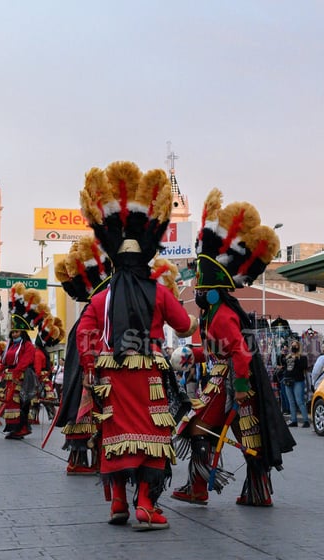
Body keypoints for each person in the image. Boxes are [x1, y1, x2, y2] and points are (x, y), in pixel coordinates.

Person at [77, 161, 197, 530]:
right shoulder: (160, 292)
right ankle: (145, 504)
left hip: (112, 378)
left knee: (115, 437)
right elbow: (184, 325)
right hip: (150, 376)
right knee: (152, 438)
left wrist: (93, 363)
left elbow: (85, 333)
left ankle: (117, 503)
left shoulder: (102, 298)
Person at [171, 187, 296, 508]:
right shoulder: (215, 312)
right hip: (225, 381)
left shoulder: (222, 314)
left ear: (211, 289)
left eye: (200, 284)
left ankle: (202, 488)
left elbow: (238, 351)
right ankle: (254, 491)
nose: (196, 288)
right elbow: (217, 351)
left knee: (201, 431)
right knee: (245, 438)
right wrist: (190, 353)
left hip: (230, 384)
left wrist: (240, 387)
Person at [53, 235, 113, 475]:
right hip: (89, 373)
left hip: (93, 370)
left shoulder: (93, 309)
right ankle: (80, 459)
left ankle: (97, 459)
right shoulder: (94, 311)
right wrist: (91, 367)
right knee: (89, 417)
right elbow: (87, 341)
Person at [0, 285, 39, 440]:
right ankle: (13, 428)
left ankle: (21, 428)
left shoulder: (28, 345)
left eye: (16, 332)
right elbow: (5, 361)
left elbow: (25, 361)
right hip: (11, 378)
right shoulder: (11, 345)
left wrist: (17, 372)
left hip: (22, 378)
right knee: (11, 405)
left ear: (22, 332)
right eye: (13, 332)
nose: (14, 334)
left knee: (20, 404)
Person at [280, 341, 310, 428]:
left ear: (299, 347)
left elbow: (303, 366)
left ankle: (306, 420)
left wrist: (296, 359)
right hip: (288, 379)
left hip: (298, 380)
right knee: (291, 401)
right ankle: (294, 420)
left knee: (299, 401)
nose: (294, 347)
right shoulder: (288, 356)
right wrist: (284, 355)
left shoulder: (302, 357)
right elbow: (283, 364)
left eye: (296, 346)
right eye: (292, 346)